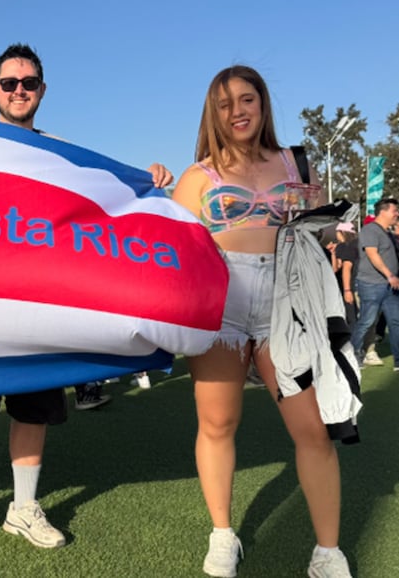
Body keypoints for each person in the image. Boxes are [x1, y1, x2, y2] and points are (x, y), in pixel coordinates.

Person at [0, 43, 174, 552]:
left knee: (33, 406)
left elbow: (105, 201)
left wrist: (147, 181)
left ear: (42, 91)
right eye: (10, 83)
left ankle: (23, 508)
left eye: (28, 83)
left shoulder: (61, 154)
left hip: (38, 306)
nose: (19, 91)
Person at [171, 65, 351, 577]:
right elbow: (169, 249)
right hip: (221, 304)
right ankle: (223, 534)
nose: (237, 111)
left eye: (246, 99)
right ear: (213, 113)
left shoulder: (295, 163)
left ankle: (327, 553)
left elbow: (325, 232)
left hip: (286, 306)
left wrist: (334, 228)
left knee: (312, 429)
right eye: (225, 104)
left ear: (263, 104)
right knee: (218, 422)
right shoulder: (197, 176)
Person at [349, 198, 399, 370]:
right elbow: (372, 254)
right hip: (372, 285)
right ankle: (353, 355)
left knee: (395, 321)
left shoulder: (388, 233)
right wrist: (390, 275)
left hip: (389, 287)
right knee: (367, 321)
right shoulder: (370, 230)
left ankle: (398, 361)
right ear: (383, 212)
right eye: (394, 211)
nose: (397, 214)